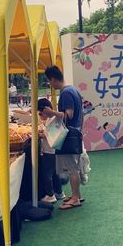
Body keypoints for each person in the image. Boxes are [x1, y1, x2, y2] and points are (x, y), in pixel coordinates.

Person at [43, 66, 84, 210]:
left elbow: (68, 115)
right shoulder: (73, 90)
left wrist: (50, 112)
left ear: (53, 79)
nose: (50, 85)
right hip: (76, 133)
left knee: (72, 168)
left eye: (49, 82)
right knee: (74, 167)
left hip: (70, 135)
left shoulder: (66, 92)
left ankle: (75, 198)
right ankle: (75, 195)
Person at [37, 98, 63, 204]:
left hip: (49, 152)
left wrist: (41, 135)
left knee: (46, 174)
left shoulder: (53, 119)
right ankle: (59, 192)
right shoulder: (52, 119)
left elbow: (52, 137)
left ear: (45, 110)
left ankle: (50, 195)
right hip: (53, 152)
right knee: (55, 174)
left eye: (40, 112)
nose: (40, 115)